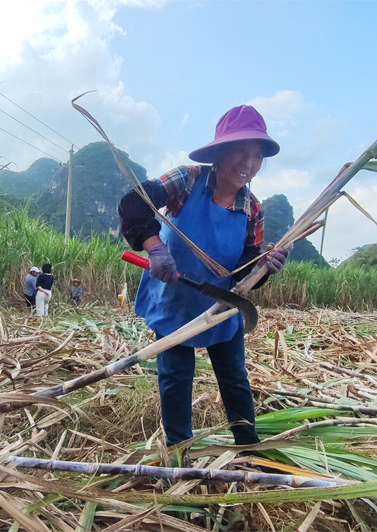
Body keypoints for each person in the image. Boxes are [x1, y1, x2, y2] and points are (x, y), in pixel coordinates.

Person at [117, 105, 288, 448]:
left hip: (220, 305)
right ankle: (180, 451)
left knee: (235, 378)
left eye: (256, 155)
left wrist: (265, 266)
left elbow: (247, 266)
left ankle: (247, 447)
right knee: (176, 378)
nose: (248, 163)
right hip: (175, 297)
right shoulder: (188, 179)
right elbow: (134, 204)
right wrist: (154, 247)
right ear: (220, 152)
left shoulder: (253, 209)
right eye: (240, 150)